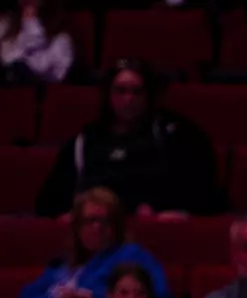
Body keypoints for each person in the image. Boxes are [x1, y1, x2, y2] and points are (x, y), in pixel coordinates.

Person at [35, 60, 219, 218]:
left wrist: (179, 212)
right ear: (108, 96)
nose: (128, 99)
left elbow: (205, 195)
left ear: (149, 96)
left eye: (136, 92)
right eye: (120, 91)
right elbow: (50, 203)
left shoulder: (176, 136)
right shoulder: (85, 141)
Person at [11, 189, 169, 298]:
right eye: (90, 221)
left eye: (104, 221)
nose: (97, 227)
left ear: (116, 226)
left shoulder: (132, 256)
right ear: (77, 226)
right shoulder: (59, 267)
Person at [0, 0, 71, 85]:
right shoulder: (5, 25)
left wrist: (31, 25)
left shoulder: (61, 38)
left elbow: (57, 76)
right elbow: (7, 59)